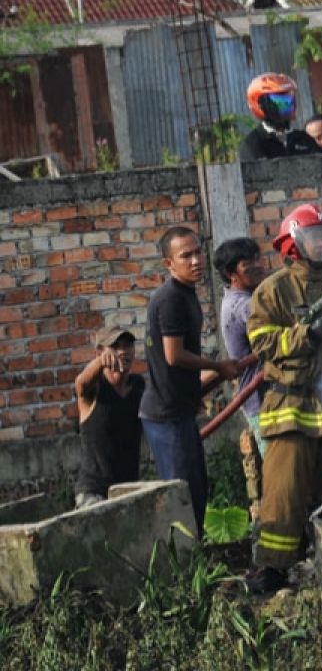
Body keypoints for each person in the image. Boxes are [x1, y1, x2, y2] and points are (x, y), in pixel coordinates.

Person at [245, 204, 322, 594]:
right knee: (285, 491)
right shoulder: (273, 291)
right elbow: (263, 344)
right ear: (293, 246)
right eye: (315, 238)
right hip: (292, 404)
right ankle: (273, 568)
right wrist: (306, 335)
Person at [139, 226, 240, 535]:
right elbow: (174, 356)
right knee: (183, 497)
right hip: (166, 414)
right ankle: (184, 568)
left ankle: (195, 557)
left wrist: (210, 380)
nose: (196, 260)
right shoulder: (170, 299)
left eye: (198, 252)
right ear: (169, 263)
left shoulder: (186, 293)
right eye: (186, 256)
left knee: (197, 490)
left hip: (179, 410)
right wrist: (219, 367)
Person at [216, 237, 269, 520]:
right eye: (249, 266)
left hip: (262, 400)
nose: (259, 268)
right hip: (262, 402)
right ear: (231, 273)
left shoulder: (238, 300)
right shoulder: (244, 306)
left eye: (258, 261)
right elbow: (276, 338)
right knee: (279, 473)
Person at [74, 326, 145, 508]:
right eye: (115, 347)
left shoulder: (138, 386)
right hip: (94, 492)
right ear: (100, 352)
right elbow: (80, 384)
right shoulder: (94, 389)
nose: (123, 352)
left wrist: (217, 370)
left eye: (128, 345)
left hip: (129, 490)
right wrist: (100, 363)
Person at [240, 74, 322, 160]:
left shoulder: (304, 139)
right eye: (280, 102)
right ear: (262, 106)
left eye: (289, 101)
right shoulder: (253, 144)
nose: (287, 106)